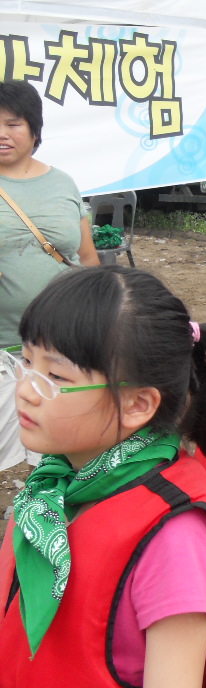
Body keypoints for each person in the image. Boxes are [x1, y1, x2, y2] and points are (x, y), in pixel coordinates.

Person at [0, 265, 206, 688]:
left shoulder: (174, 534)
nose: (25, 388)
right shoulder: (52, 491)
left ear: (137, 405)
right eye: (25, 362)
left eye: (55, 376)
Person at [0, 79, 99, 472]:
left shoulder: (63, 183)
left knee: (57, 451)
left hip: (64, 344)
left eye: (13, 124)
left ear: (34, 130)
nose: (2, 134)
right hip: (4, 347)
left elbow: (87, 257)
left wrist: (97, 318)